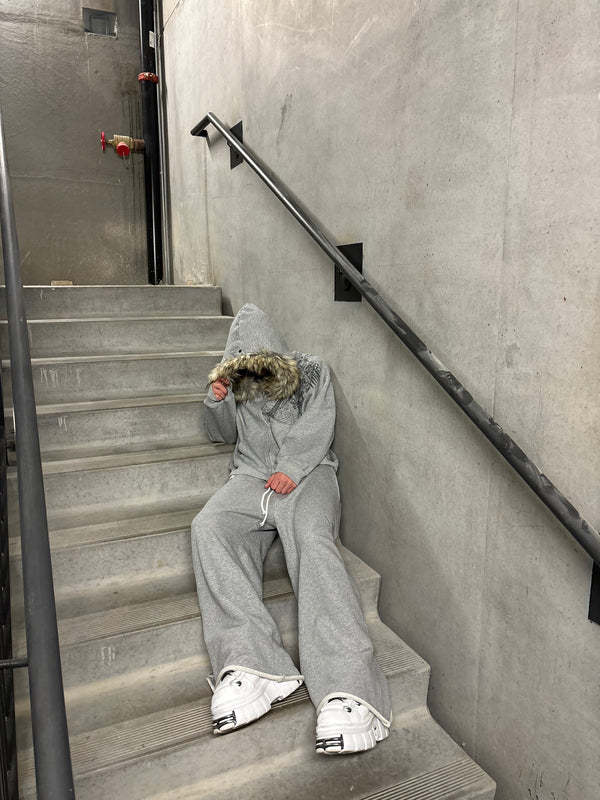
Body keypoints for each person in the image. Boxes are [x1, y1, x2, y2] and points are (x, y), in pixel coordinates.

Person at [191, 303, 392, 754]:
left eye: (256, 360)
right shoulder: (236, 384)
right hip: (249, 478)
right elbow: (219, 434)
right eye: (240, 362)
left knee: (313, 542)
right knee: (209, 527)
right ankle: (251, 664)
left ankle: (349, 686)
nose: (250, 369)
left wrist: (293, 467)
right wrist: (217, 401)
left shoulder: (312, 372)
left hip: (310, 475)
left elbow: (319, 425)